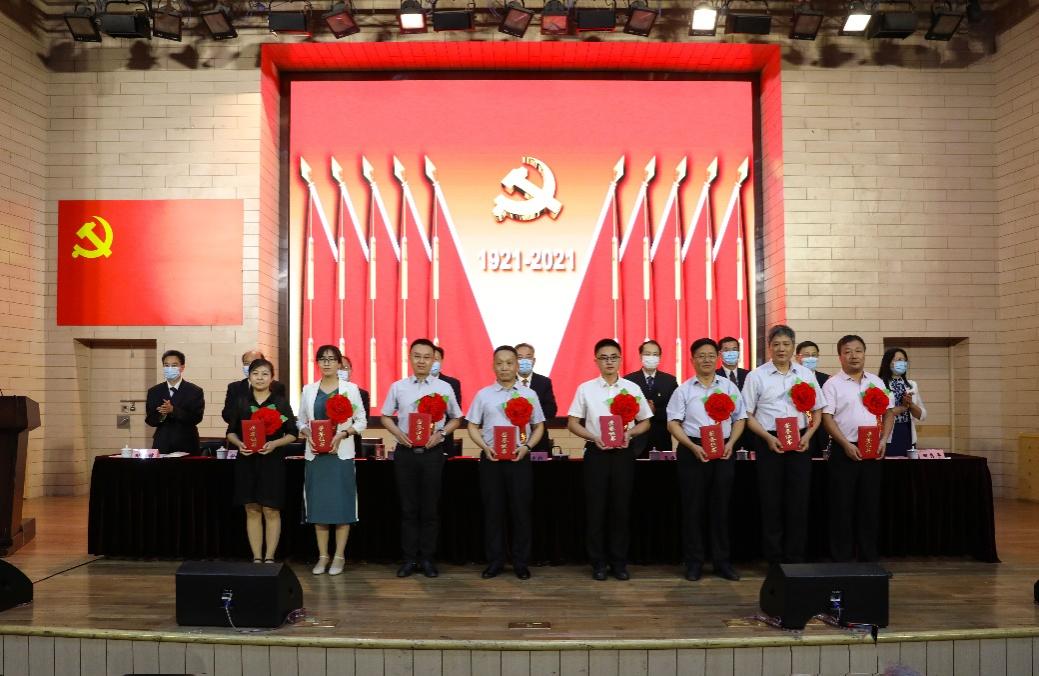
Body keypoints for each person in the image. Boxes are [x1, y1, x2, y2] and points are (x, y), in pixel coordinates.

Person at [567, 338, 652, 581]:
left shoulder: (632, 388)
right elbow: (572, 423)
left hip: (623, 453)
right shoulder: (586, 389)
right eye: (604, 358)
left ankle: (619, 562)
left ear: (620, 359)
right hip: (597, 453)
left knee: (621, 509)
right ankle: (598, 563)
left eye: (613, 357)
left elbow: (645, 421)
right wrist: (593, 437)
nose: (609, 362)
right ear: (596, 361)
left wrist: (629, 433)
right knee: (596, 510)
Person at [741, 325, 826, 566]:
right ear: (769, 347)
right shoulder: (756, 376)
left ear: (793, 347)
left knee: (798, 501)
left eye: (786, 344)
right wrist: (768, 438)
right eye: (776, 344)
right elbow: (747, 414)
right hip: (769, 441)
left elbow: (818, 410)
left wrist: (809, 435)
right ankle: (774, 560)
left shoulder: (806, 375)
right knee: (771, 502)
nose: (781, 349)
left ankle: (795, 558)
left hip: (800, 442)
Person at [380, 338, 463, 578]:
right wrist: (398, 433)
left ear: (434, 360)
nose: (422, 361)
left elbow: (457, 417)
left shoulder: (444, 388)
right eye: (417, 356)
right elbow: (385, 416)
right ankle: (409, 559)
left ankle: (427, 558)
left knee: (429, 509)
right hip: (405, 453)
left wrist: (441, 434)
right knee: (408, 508)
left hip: (432, 454)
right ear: (410, 358)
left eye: (427, 357)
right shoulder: (398, 387)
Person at [667, 338, 747, 582]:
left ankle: (722, 562)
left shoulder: (729, 388)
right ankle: (694, 562)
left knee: (721, 507)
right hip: (693, 450)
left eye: (711, 355)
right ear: (692, 360)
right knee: (693, 509)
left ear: (717, 358)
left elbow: (740, 419)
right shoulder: (683, 390)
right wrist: (691, 446)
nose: (706, 360)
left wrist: (731, 444)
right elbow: (673, 423)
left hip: (723, 451)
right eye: (701, 356)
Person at [466, 345, 545, 580]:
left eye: (509, 363)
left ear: (516, 365)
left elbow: (539, 426)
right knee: (493, 512)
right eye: (499, 363)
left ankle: (521, 562)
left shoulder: (529, 394)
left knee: (521, 512)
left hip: (519, 460)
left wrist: (527, 447)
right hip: (491, 460)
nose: (504, 367)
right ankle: (495, 561)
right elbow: (472, 425)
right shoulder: (483, 395)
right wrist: (484, 447)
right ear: (493, 366)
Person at [822, 335, 895, 562]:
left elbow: (889, 412)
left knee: (869, 506)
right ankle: (841, 560)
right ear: (840, 356)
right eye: (848, 351)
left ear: (864, 354)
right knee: (841, 506)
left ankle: (868, 558)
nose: (853, 356)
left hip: (873, 449)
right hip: (844, 450)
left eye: (858, 351)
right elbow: (826, 418)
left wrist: (884, 439)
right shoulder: (832, 384)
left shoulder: (877, 382)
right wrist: (845, 444)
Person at [297, 345, 368, 576]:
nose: (326, 363)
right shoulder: (309, 390)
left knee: (341, 507)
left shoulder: (350, 389)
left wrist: (343, 433)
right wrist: (307, 433)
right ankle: (322, 556)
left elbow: (361, 421)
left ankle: (339, 556)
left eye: (331, 359)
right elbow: (300, 421)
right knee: (319, 507)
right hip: (316, 456)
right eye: (322, 359)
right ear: (317, 363)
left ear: (339, 363)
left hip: (341, 456)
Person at [225, 358, 297, 563]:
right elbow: (230, 432)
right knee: (252, 508)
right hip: (247, 461)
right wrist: (239, 444)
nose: (260, 378)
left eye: (265, 374)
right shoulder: (241, 402)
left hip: (272, 461)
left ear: (272, 378)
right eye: (255, 373)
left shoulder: (280, 402)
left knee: (271, 509)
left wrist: (274, 444)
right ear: (249, 376)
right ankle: (257, 557)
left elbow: (293, 433)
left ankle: (270, 557)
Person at [624, 340, 678, 458]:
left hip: (661, 440)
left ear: (660, 357)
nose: (651, 357)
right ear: (640, 356)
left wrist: (655, 411)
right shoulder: (628, 381)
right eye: (647, 354)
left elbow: (675, 411)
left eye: (655, 354)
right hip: (635, 441)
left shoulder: (669, 381)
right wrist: (643, 411)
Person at [145, 349, 205, 454]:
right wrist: (162, 414)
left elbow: (196, 418)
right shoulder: (154, 391)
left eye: (174, 365)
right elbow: (150, 420)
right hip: (162, 443)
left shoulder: (194, 391)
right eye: (166, 365)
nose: (170, 368)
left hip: (187, 444)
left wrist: (173, 410)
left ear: (182, 367)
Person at [877, 347, 927, 457]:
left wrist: (911, 404)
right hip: (887, 433)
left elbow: (922, 415)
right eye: (899, 360)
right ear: (888, 362)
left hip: (907, 431)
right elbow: (879, 414)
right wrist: (902, 408)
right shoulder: (878, 384)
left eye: (904, 360)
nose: (902, 363)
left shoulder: (912, 385)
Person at [515, 343, 558, 453]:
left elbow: (551, 410)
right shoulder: (508, 382)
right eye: (520, 358)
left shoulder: (544, 382)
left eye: (528, 357)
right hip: (514, 439)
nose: (524, 361)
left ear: (533, 361)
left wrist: (529, 410)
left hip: (539, 439)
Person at [222, 350, 286, 424]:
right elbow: (226, 414)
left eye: (254, 363)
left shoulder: (277, 387)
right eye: (246, 363)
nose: (250, 366)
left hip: (269, 429)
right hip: (241, 430)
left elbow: (282, 412)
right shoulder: (234, 387)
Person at [796, 341, 831, 458]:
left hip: (821, 432)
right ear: (797, 357)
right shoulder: (792, 379)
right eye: (806, 355)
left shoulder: (827, 380)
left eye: (814, 355)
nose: (810, 358)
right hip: (799, 431)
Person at [339, 355, 371, 422]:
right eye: (338, 368)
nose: (342, 371)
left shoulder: (362, 394)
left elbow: (363, 420)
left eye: (345, 368)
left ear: (351, 370)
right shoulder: (324, 392)